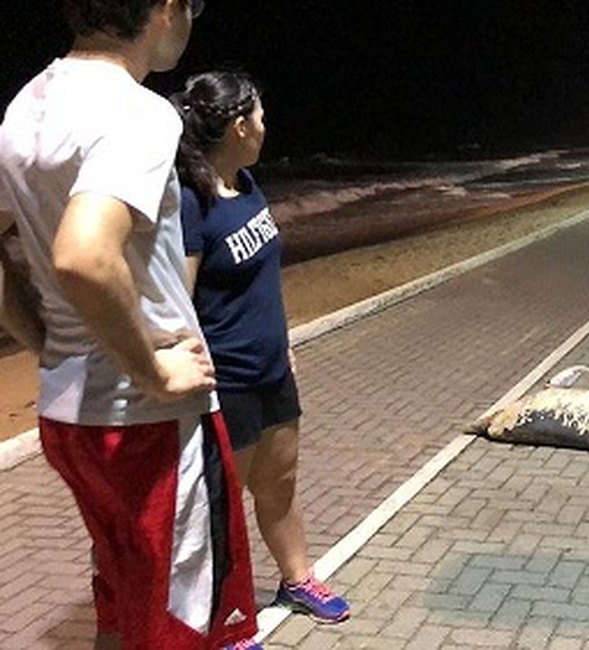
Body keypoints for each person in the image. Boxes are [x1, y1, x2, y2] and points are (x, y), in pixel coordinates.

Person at [0, 2, 263, 649]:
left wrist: (50, 345)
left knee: (122, 597)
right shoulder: (137, 111)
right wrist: (151, 369)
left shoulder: (26, 106)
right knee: (181, 620)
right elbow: (84, 254)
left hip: (70, 418)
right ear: (165, 7)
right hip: (147, 425)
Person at [171, 71, 351, 624]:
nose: (266, 127)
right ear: (238, 126)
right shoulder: (190, 203)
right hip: (229, 383)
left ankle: (297, 581)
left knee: (280, 483)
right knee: (219, 512)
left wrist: (284, 338)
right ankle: (223, 619)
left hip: (273, 368)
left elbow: (264, 280)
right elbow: (179, 301)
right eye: (261, 118)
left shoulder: (247, 185)